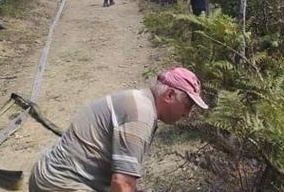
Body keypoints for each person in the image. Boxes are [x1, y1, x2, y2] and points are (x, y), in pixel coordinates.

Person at [29, 67, 208, 192]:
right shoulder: (141, 114)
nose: (187, 114)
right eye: (187, 106)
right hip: (59, 184)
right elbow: (122, 182)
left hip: (56, 177)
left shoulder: (141, 102)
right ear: (169, 95)